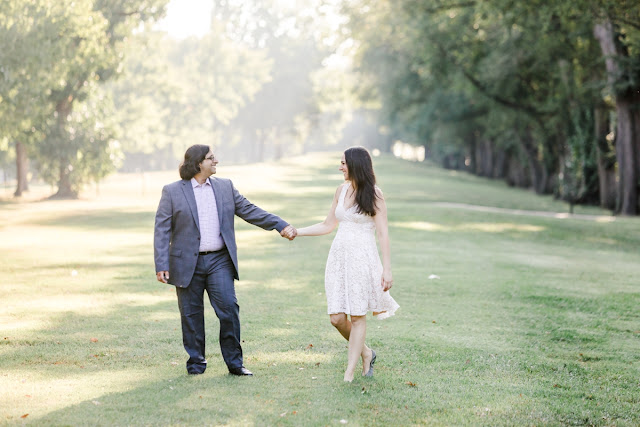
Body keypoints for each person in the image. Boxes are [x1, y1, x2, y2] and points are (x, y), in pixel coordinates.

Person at [154, 144, 297, 376]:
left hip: (219, 260)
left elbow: (249, 210)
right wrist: (161, 264)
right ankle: (196, 363)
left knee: (229, 309)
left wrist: (279, 224)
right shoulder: (172, 191)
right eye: (211, 158)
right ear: (198, 163)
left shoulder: (225, 187)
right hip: (186, 263)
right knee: (191, 314)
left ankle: (235, 363)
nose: (216, 161)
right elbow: (162, 229)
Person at [296, 146, 399, 382]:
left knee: (358, 316)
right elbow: (327, 225)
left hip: (363, 259)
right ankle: (367, 352)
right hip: (339, 259)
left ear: (355, 164)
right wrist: (297, 232)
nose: (340, 167)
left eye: (343, 163)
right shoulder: (340, 191)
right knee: (336, 318)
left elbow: (383, 233)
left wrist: (387, 269)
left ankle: (349, 373)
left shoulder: (375, 194)